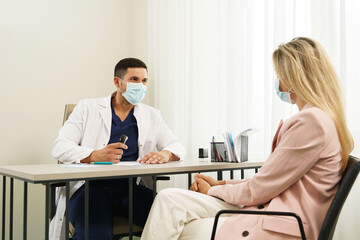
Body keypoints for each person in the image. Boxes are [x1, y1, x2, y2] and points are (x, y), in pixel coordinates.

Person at [140, 37, 354, 240]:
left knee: (179, 224)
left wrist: (213, 190)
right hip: (271, 209)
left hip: (279, 222)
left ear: (294, 77)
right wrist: (221, 183)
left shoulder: (311, 122)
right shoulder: (320, 117)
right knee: (168, 199)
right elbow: (268, 181)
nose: (278, 82)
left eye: (279, 74)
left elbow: (260, 189)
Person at [50, 58, 185, 240]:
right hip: (90, 189)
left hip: (130, 189)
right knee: (97, 235)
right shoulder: (87, 108)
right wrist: (93, 155)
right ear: (117, 82)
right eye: (134, 79)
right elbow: (59, 147)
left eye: (144, 81)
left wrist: (165, 154)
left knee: (174, 224)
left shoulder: (152, 115)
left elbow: (177, 145)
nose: (141, 85)